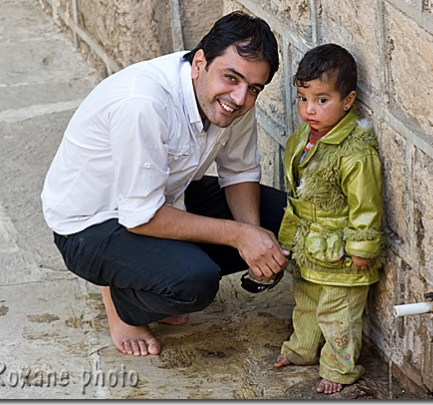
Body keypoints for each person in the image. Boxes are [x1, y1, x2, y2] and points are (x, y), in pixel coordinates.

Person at [41, 11, 289, 358]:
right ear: (200, 62)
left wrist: (253, 236)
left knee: (283, 216)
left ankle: (151, 274)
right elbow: (140, 216)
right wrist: (239, 237)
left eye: (254, 88)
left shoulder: (234, 102)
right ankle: (122, 300)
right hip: (91, 225)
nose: (239, 97)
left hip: (164, 196)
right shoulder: (143, 104)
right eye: (231, 78)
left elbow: (239, 172)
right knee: (193, 282)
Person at [273, 44, 385, 394]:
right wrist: (289, 237)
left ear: (348, 100)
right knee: (306, 300)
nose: (309, 109)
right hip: (310, 246)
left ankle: (339, 369)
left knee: (337, 313)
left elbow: (366, 204)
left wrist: (362, 247)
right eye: (303, 99)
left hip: (340, 254)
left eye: (322, 100)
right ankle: (303, 348)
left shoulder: (354, 151)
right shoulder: (304, 139)